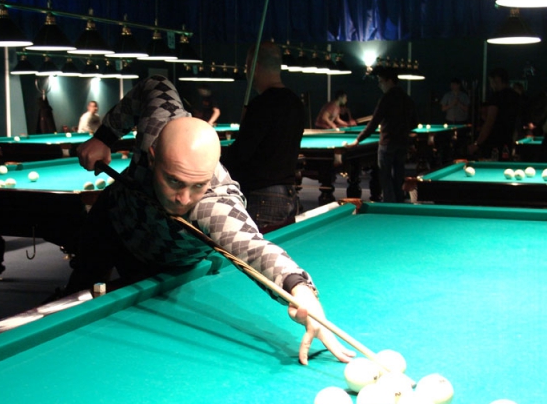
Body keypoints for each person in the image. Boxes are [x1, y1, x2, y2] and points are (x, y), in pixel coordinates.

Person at [70, 74, 355, 366]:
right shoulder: (158, 120)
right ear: (152, 156)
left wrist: (301, 291)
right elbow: (153, 84)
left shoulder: (214, 205)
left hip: (159, 258)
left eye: (197, 185)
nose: (184, 199)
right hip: (113, 214)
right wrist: (104, 137)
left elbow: (253, 247)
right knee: (75, 292)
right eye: (174, 180)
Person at [221, 41, 303, 232]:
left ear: (255, 68)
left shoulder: (261, 105)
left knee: (254, 251)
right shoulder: (296, 103)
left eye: (247, 67)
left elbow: (241, 154)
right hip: (289, 193)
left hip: (263, 197)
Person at [348, 67, 417, 203]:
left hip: (387, 143)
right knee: (398, 176)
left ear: (389, 81)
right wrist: (403, 129)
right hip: (402, 143)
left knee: (385, 177)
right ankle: (399, 204)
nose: (379, 85)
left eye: (381, 81)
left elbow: (374, 122)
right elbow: (415, 122)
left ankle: (389, 205)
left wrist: (358, 139)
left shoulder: (386, 98)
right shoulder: (407, 98)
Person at [470, 67, 521, 160]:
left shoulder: (496, 97)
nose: (491, 85)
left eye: (491, 82)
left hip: (494, 143)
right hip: (509, 141)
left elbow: (490, 122)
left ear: (497, 80)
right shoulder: (516, 97)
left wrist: (477, 143)